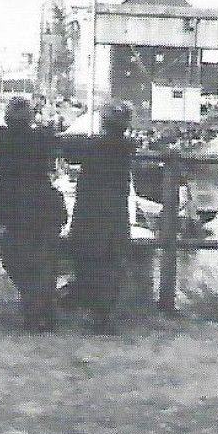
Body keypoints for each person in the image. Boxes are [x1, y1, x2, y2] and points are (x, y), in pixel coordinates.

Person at [0, 95, 66, 331]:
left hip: (9, 200)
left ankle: (32, 302)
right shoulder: (43, 137)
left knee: (12, 256)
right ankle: (44, 310)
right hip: (43, 198)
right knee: (45, 258)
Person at [61, 100, 136, 332]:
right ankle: (103, 312)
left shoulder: (92, 144)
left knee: (87, 257)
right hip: (116, 211)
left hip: (91, 210)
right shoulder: (127, 145)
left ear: (103, 122)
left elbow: (69, 151)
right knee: (111, 261)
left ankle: (91, 307)